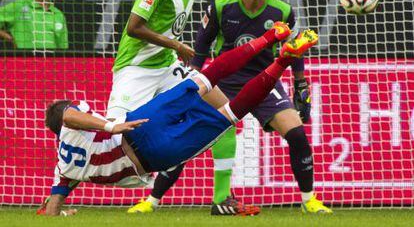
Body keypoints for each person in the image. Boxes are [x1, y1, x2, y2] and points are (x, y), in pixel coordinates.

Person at [37, 22, 319, 216]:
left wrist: (58, 212)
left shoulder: (63, 169)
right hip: (137, 126)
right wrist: (111, 125)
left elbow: (52, 205)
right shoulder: (68, 125)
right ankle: (270, 38)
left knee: (230, 113)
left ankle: (282, 59)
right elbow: (69, 116)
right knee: (206, 78)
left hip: (154, 155)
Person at [135, 0, 332, 215]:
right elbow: (201, 49)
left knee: (296, 133)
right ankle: (153, 200)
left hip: (265, 81)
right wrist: (190, 86)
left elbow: (294, 48)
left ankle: (309, 200)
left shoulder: (282, 11)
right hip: (223, 82)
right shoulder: (221, 7)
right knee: (187, 136)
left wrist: (301, 85)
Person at [106, 0, 248, 213]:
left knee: (225, 112)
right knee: (108, 135)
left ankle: (221, 199)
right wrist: (176, 45)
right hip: (134, 69)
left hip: (167, 67)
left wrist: (174, 50)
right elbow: (133, 27)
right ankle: (60, 191)